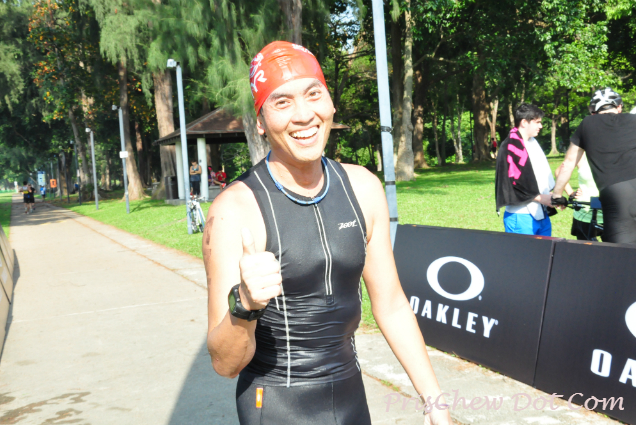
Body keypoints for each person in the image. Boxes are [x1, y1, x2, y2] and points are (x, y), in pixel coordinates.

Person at [202, 41, 452, 425]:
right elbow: (224, 363)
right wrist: (245, 304)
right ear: (260, 122)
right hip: (276, 405)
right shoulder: (233, 211)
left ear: (331, 103)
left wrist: (433, 400)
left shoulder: (363, 188)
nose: (304, 115)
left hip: (351, 399)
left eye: (313, 94)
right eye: (282, 102)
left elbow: (391, 305)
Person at [553, 87, 636, 244]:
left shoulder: (587, 124)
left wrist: (557, 196)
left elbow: (568, 163)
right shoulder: (634, 120)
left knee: (621, 252)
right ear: (619, 107)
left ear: (593, 112)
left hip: (617, 194)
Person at [495, 103, 555, 236]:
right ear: (524, 122)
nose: (541, 126)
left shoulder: (533, 142)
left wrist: (550, 196)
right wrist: (540, 198)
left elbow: (540, 175)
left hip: (542, 214)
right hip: (521, 217)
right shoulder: (510, 146)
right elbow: (511, 184)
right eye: (537, 122)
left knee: (545, 250)